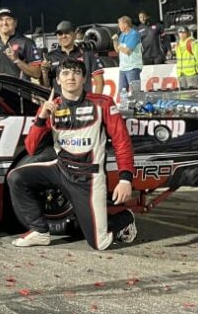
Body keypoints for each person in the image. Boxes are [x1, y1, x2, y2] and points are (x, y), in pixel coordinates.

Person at [8, 59, 137, 250]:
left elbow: (122, 141)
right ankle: (39, 231)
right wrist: (42, 118)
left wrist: (125, 178)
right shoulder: (52, 106)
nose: (71, 77)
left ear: (84, 78)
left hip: (89, 179)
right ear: (58, 80)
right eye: (66, 73)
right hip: (60, 169)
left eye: (76, 73)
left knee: (99, 244)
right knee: (17, 177)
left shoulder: (102, 103)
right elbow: (31, 148)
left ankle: (126, 218)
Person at [41, 21, 104, 95]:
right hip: (60, 104)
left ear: (74, 34)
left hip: (84, 104)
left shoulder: (87, 54)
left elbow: (100, 82)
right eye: (60, 33)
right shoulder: (50, 57)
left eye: (67, 32)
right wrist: (44, 72)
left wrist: (95, 103)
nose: (63, 36)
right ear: (57, 36)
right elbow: (46, 86)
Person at [0, 8, 42, 81]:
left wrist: (17, 60)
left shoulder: (26, 43)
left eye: (8, 19)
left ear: (15, 23)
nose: (4, 23)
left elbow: (37, 73)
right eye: (1, 20)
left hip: (18, 91)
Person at [112, 15, 143, 92]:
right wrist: (115, 41)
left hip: (133, 67)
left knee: (134, 92)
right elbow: (116, 50)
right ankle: (124, 104)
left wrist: (119, 47)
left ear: (125, 24)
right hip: (123, 68)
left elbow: (128, 51)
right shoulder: (122, 35)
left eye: (119, 24)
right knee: (122, 93)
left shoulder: (134, 34)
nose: (118, 26)